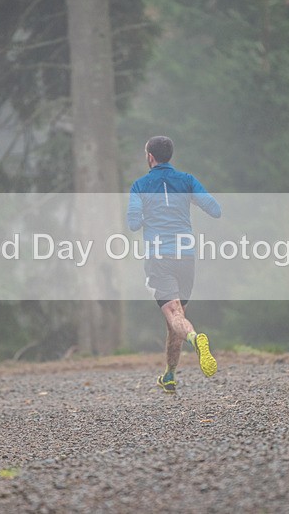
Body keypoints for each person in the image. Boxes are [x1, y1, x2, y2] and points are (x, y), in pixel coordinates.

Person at [127, 136, 221, 394]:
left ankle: (195, 338)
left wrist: (150, 213)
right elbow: (215, 209)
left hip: (160, 259)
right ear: (170, 155)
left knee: (175, 317)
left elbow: (133, 224)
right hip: (186, 258)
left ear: (149, 157)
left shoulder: (139, 186)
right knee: (175, 318)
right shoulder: (187, 180)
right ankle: (169, 375)